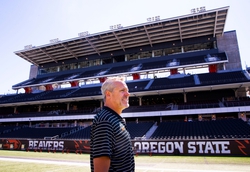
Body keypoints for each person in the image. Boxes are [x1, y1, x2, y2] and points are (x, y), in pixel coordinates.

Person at [90, 77, 135, 172]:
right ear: (108, 94)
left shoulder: (114, 119)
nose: (128, 94)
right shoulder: (105, 120)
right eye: (122, 90)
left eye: (127, 90)